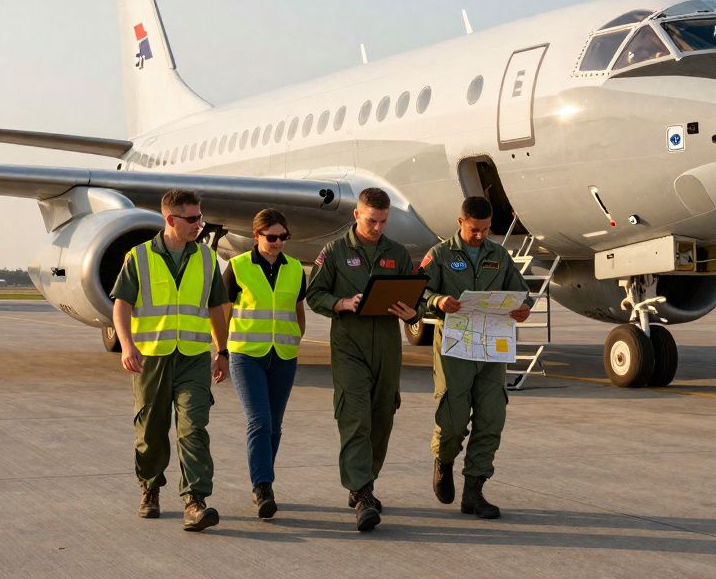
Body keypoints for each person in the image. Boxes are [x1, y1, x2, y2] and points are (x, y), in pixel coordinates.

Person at [110, 189, 231, 532]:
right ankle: (150, 487)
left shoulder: (207, 258)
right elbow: (122, 304)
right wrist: (127, 345)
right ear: (170, 220)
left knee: (194, 428)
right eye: (192, 219)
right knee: (151, 430)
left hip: (193, 357)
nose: (199, 224)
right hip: (152, 358)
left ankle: (195, 501)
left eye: (200, 217)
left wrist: (222, 351)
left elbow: (215, 308)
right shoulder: (139, 256)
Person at [305, 187, 420, 532]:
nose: (378, 227)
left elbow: (414, 297)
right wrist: (341, 303)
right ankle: (362, 492)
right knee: (355, 418)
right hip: (350, 346)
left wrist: (412, 312)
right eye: (372, 220)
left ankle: (365, 481)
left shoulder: (397, 253)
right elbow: (314, 294)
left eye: (384, 221)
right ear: (357, 214)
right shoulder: (335, 252)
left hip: (387, 347)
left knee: (382, 417)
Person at [418, 197, 532, 519]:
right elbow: (418, 292)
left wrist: (524, 309)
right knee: (453, 417)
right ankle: (444, 459)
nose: (480, 236)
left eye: (484, 230)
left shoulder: (499, 255)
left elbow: (521, 291)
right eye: (473, 229)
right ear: (460, 221)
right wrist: (438, 301)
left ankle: (474, 491)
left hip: (491, 348)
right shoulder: (440, 254)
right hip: (455, 347)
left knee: (491, 418)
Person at [223, 208, 307, 520]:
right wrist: (220, 349)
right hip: (247, 354)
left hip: (284, 355)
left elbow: (298, 307)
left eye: (283, 237)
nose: (277, 242)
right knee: (259, 421)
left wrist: (297, 336)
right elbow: (222, 308)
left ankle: (263, 480)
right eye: (271, 237)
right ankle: (263, 487)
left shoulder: (296, 268)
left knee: (275, 425)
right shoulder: (238, 267)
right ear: (256, 235)